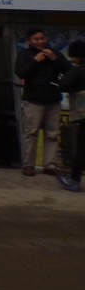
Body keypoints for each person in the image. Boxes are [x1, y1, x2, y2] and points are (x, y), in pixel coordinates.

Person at [14, 28, 69, 177]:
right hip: (33, 100)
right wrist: (35, 61)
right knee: (31, 133)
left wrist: (54, 59)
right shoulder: (25, 55)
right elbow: (20, 72)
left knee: (52, 134)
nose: (40, 41)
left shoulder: (54, 53)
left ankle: (49, 164)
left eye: (42, 38)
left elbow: (68, 70)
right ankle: (28, 165)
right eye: (36, 39)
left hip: (53, 99)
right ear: (29, 41)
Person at [57, 40, 85, 193]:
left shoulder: (78, 69)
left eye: (73, 56)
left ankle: (74, 181)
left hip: (83, 114)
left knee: (81, 148)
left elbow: (63, 84)